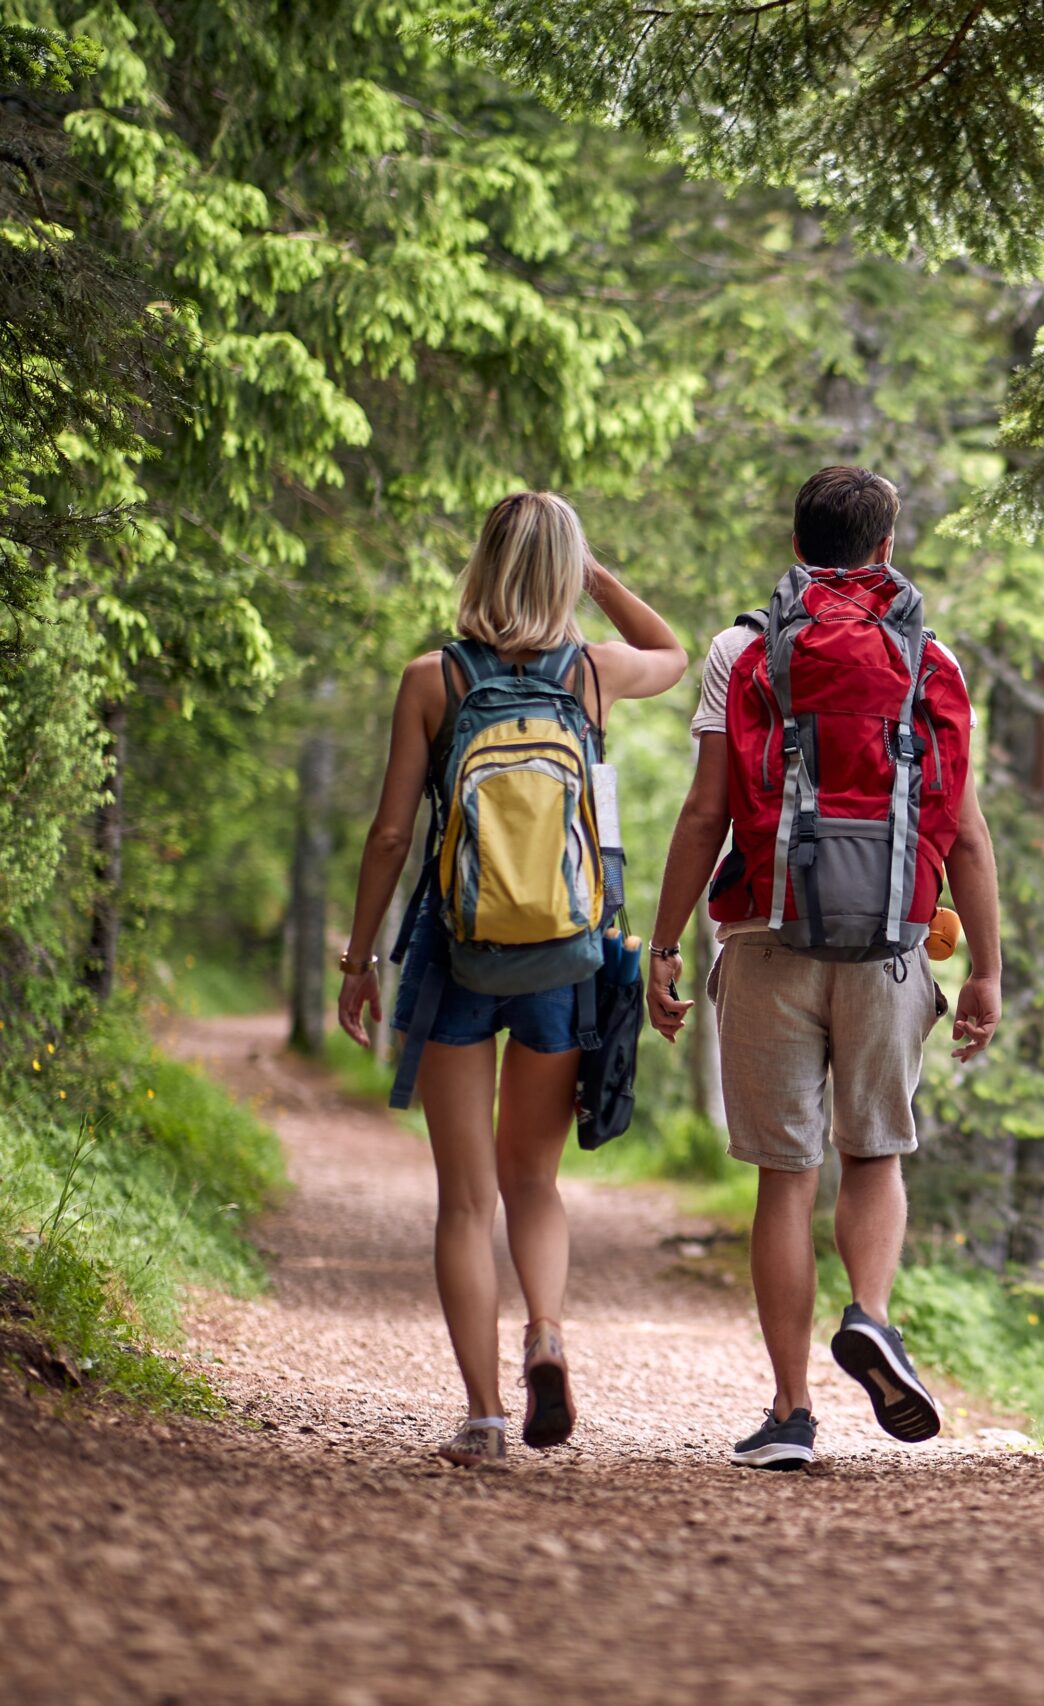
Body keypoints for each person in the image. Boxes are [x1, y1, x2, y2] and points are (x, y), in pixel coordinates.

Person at [647, 465, 1002, 1468]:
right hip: (891, 939)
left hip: (764, 937)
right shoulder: (931, 657)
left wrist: (662, 943)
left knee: (783, 1176)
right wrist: (984, 969)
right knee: (873, 1153)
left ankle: (792, 1410)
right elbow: (965, 831)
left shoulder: (741, 650)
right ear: (886, 549)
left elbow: (706, 810)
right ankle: (874, 1315)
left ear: (796, 543)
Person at [337, 492, 688, 1466]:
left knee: (464, 1199)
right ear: (565, 572)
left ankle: (485, 1418)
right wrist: (597, 577)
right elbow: (672, 650)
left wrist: (360, 959)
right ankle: (545, 1330)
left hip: (457, 954)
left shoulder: (432, 678)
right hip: (563, 957)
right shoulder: (593, 673)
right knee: (533, 1177)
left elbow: (392, 834)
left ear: (482, 564)